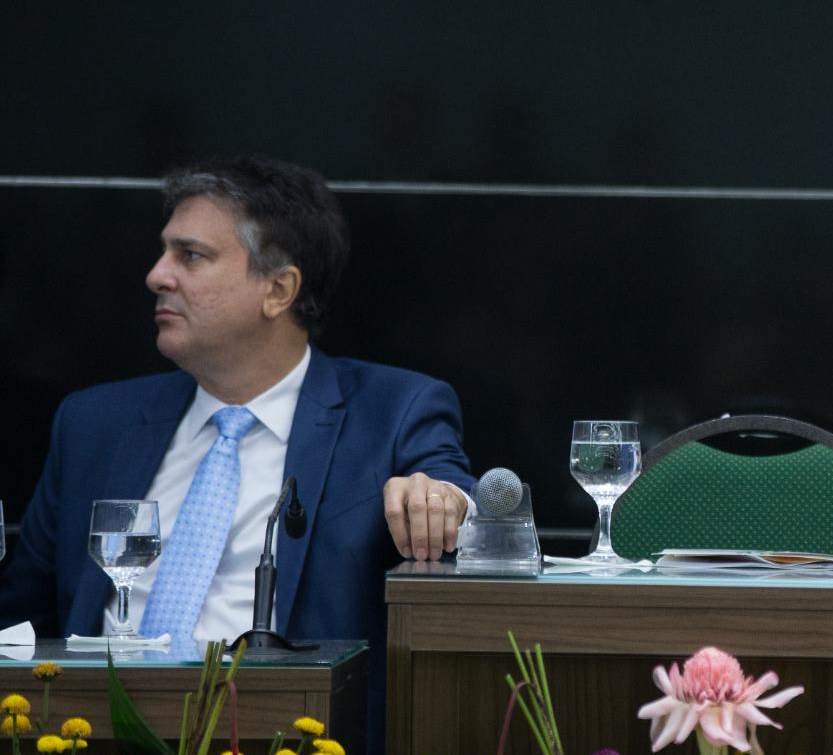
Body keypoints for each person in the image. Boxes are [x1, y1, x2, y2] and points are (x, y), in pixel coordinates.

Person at [0, 154, 476, 644]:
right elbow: (19, 627)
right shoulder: (93, 424)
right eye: (164, 252)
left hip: (287, 696)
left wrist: (442, 499)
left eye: (190, 255)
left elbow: (457, 496)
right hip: (101, 695)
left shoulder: (392, 413)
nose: (157, 276)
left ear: (278, 290)